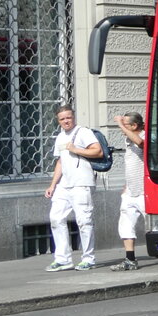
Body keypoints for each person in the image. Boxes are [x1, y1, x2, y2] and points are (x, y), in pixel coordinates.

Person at [44, 105, 103, 271]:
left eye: (68, 117)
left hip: (81, 183)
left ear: (73, 117)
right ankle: (63, 259)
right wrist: (53, 185)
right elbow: (60, 162)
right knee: (56, 218)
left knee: (84, 221)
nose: (66, 121)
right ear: (58, 121)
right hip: (64, 184)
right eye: (62, 119)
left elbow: (97, 151)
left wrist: (75, 149)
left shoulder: (83, 132)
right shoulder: (60, 137)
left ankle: (88, 258)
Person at [110, 112, 149, 271]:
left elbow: (141, 143)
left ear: (134, 126)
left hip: (144, 191)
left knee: (156, 223)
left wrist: (120, 124)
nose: (122, 127)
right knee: (125, 224)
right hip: (131, 190)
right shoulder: (128, 138)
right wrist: (127, 185)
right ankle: (130, 259)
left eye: (126, 124)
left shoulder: (145, 136)